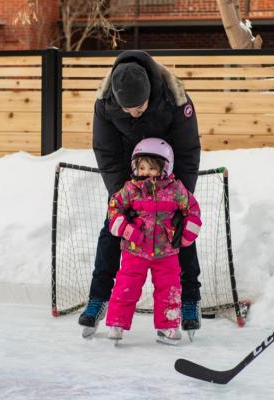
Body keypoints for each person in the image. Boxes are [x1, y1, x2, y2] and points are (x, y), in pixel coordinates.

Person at [79, 50, 203, 339]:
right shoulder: (105, 103)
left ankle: (189, 301)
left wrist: (178, 200)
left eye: (139, 107)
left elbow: (187, 150)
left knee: (182, 235)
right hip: (129, 176)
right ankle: (98, 298)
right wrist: (125, 200)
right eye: (128, 109)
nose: (133, 113)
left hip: (168, 173)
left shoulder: (175, 98)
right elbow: (106, 154)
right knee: (110, 231)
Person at [104, 138, 201, 345]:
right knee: (126, 285)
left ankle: (168, 326)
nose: (146, 172)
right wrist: (127, 230)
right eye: (141, 167)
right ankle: (117, 323)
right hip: (134, 250)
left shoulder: (176, 189)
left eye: (152, 168)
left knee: (170, 288)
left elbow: (192, 208)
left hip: (167, 252)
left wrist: (188, 234)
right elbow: (114, 208)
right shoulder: (130, 189)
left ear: (165, 168)